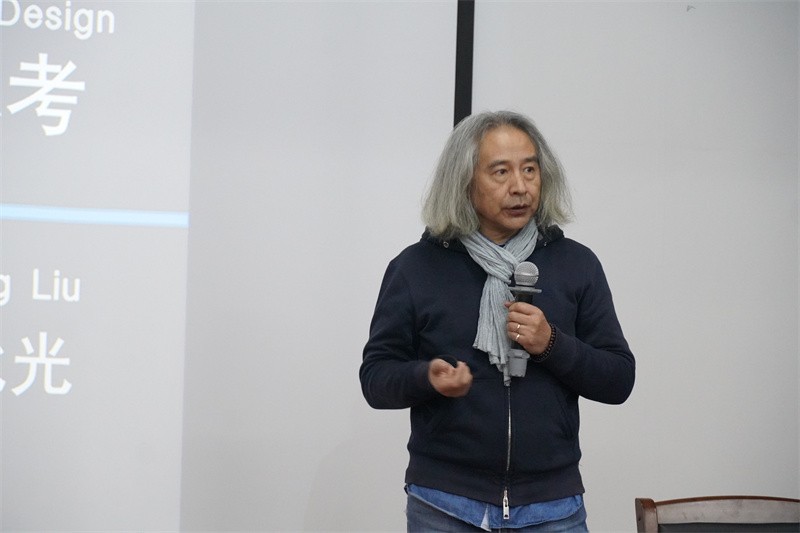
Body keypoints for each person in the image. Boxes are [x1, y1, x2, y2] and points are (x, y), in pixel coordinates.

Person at [359, 110, 635, 532]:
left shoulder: (576, 265)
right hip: (445, 506)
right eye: (501, 172)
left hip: (552, 508)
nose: (520, 186)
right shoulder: (415, 268)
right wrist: (425, 378)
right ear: (465, 181)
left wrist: (552, 344)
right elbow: (376, 378)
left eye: (530, 170)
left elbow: (618, 379)